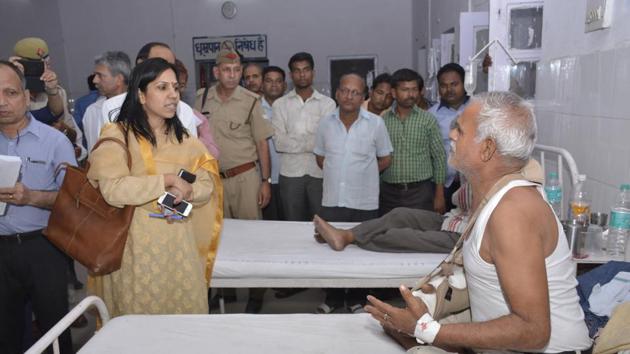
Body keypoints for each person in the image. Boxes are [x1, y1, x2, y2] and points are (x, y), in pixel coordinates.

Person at [365, 92, 591, 353]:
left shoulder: (512, 212)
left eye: (460, 130)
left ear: (487, 148)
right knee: (395, 328)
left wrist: (425, 330)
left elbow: (534, 331)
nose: (451, 135)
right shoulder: (495, 196)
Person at [86, 58, 222, 317]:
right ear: (141, 94)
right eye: (162, 88)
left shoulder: (185, 140)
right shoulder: (117, 135)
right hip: (134, 253)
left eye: (175, 87)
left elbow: (208, 182)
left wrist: (188, 191)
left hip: (179, 248)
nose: (172, 95)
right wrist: (166, 180)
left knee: (184, 324)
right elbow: (113, 189)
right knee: (140, 326)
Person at [0, 60, 77, 354]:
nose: (2, 102)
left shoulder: (55, 141)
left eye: (10, 93)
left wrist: (31, 197)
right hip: (1, 251)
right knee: (5, 333)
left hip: (43, 248)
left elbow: (72, 199)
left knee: (55, 330)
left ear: (27, 96)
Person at [313, 73, 393, 314]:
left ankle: (359, 298)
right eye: (345, 90)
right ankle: (334, 298)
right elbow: (319, 157)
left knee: (361, 251)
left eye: (355, 92)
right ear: (337, 93)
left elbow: (386, 157)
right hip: (333, 198)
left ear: (363, 96)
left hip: (364, 200)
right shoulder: (325, 123)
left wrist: (364, 173)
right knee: (332, 251)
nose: (349, 96)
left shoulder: (376, 124)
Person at [313, 182, 470, 254]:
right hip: (454, 219)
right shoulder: (473, 169)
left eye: (460, 132)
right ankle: (346, 235)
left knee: (400, 236)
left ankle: (348, 238)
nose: (452, 136)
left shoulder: (487, 172)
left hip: (465, 235)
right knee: (399, 214)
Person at [271, 52, 336, 221]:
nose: (302, 74)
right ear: (291, 75)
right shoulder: (280, 105)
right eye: (297, 70)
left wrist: (294, 140)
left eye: (306, 70)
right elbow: (279, 143)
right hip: (290, 174)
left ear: (313, 73)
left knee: (322, 224)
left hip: (320, 173)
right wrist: (313, 141)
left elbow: (327, 141)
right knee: (293, 224)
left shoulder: (328, 104)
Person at [380, 68, 446, 216]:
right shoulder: (382, 121)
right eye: (405, 89)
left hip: (421, 193)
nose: (410, 94)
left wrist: (439, 194)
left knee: (419, 236)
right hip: (389, 193)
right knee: (390, 235)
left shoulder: (428, 120)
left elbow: (439, 157)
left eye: (414, 89)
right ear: (393, 92)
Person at [11, 37, 87, 160]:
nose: (43, 69)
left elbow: (69, 128)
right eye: (36, 65)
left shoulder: (57, 92)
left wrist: (75, 149)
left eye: (46, 64)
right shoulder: (7, 93)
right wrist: (11, 76)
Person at [100, 42, 199, 138]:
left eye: (171, 65)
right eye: (160, 63)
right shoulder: (112, 108)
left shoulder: (185, 112)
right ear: (140, 64)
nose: (167, 70)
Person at [428, 63, 470, 211]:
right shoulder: (431, 115)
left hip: (473, 181)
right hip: (443, 184)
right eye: (444, 85)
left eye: (454, 84)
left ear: (464, 84)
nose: (449, 90)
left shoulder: (477, 108)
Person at [83, 50, 132, 151]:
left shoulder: (141, 107)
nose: (94, 80)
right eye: (95, 75)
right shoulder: (92, 111)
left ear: (119, 79)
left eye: (100, 75)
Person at [260, 65, 287, 221]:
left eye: (278, 81)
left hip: (289, 177)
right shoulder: (254, 107)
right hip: (264, 180)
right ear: (262, 85)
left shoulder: (291, 106)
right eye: (269, 81)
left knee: (289, 222)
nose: (274, 85)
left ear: (284, 85)